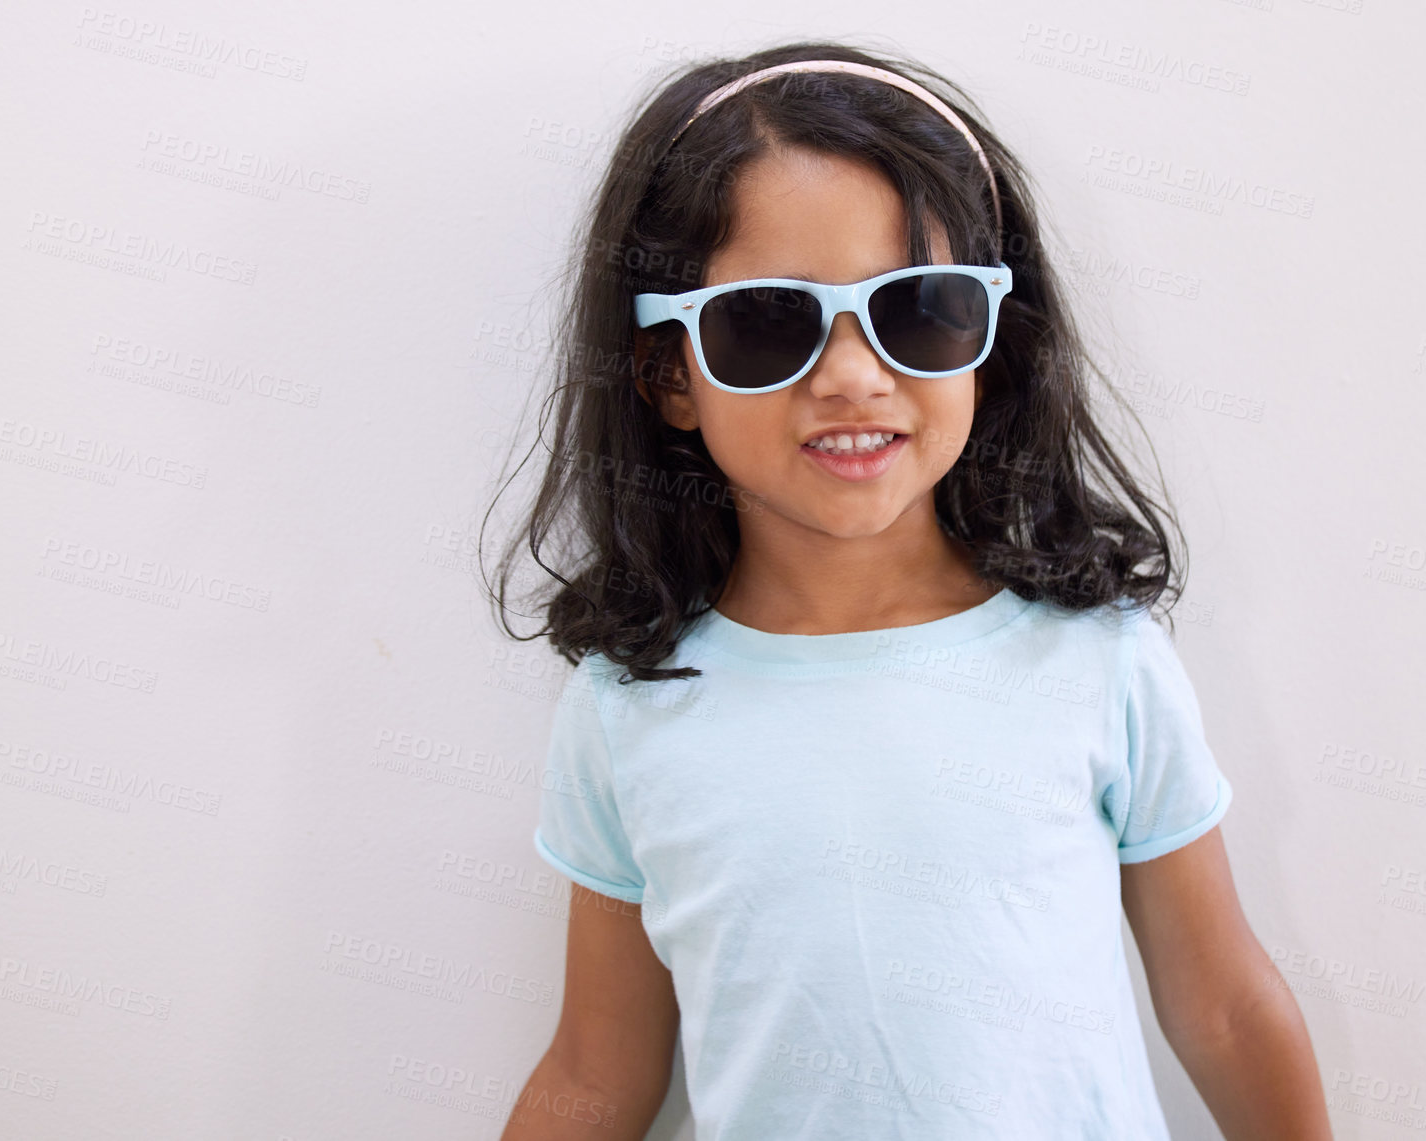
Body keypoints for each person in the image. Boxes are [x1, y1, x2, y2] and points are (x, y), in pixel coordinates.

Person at [483, 40, 1332, 1141]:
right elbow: (597, 1073)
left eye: (918, 308)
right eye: (766, 323)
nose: (849, 373)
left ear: (989, 341)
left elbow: (1222, 1008)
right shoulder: (629, 703)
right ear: (667, 375)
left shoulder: (1095, 658)